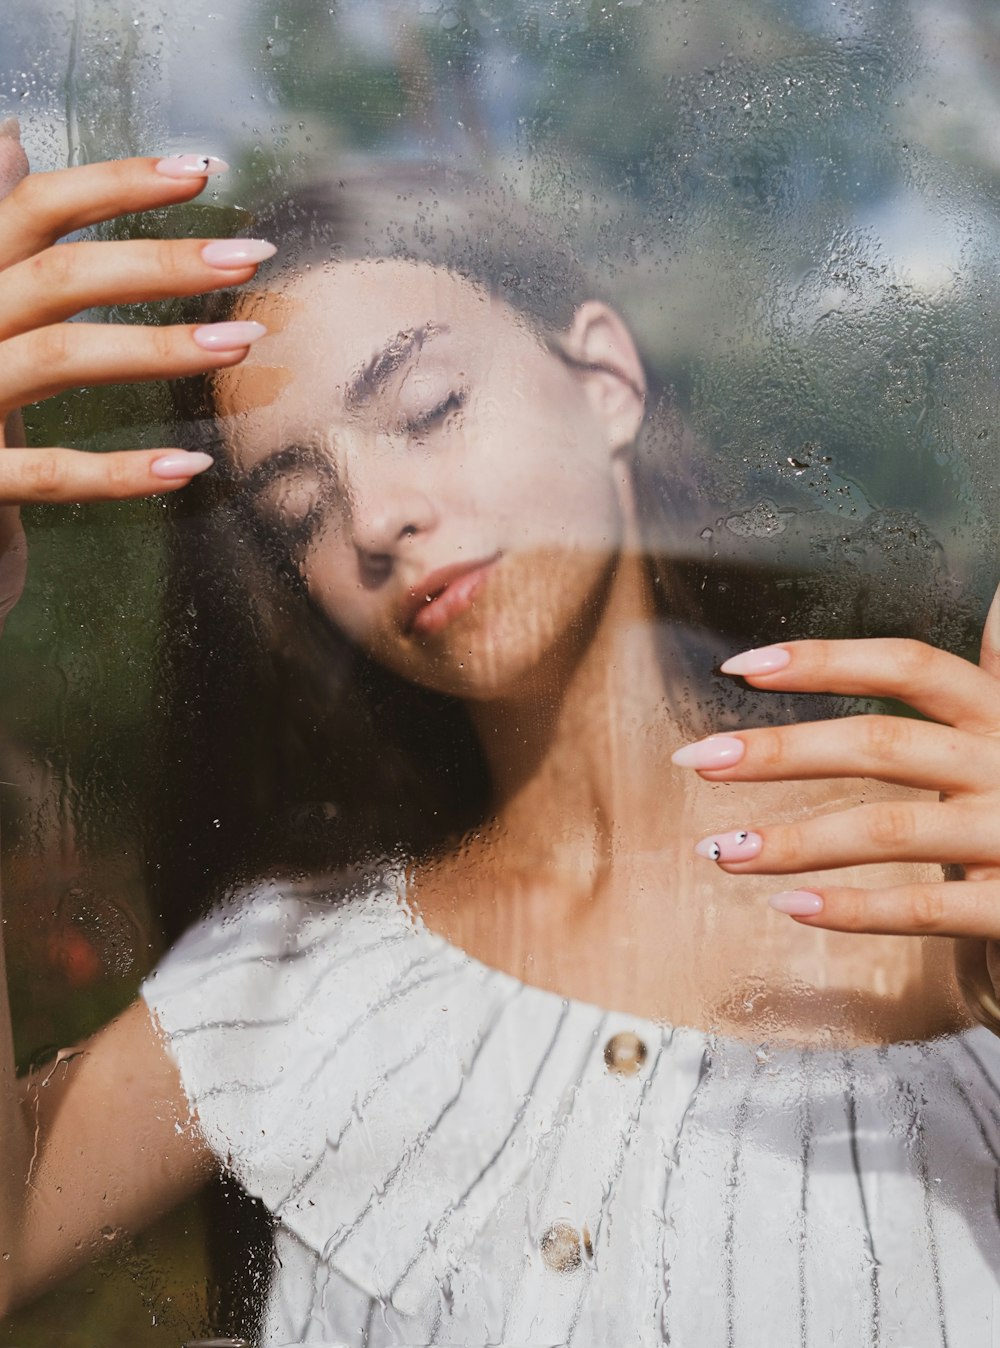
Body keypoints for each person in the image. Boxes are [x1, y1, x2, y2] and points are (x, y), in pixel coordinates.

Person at [2, 122, 1000, 1345]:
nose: (377, 516)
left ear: (607, 382)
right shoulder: (292, 976)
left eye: (426, 408)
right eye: (300, 506)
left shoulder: (949, 885)